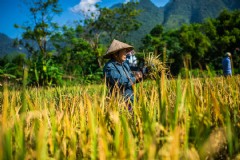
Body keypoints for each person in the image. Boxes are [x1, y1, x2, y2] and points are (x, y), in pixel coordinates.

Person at [103, 39, 142, 112]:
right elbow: (119, 81)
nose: (126, 54)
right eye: (124, 52)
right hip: (120, 102)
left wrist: (140, 77)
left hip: (131, 99)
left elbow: (131, 78)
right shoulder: (109, 66)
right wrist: (134, 78)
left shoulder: (125, 65)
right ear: (115, 54)